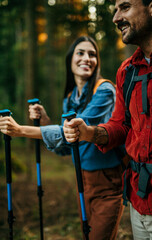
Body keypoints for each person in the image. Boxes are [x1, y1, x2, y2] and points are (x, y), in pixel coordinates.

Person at [0, 36, 124, 240]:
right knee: (87, 235)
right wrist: (46, 121)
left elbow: (75, 130)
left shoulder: (105, 91)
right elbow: (68, 146)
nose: (87, 58)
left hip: (107, 182)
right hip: (81, 180)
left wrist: (22, 130)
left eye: (92, 54)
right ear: (70, 60)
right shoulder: (70, 98)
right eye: (80, 53)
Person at [63, 1, 152, 239]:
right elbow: (121, 126)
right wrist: (89, 132)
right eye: (114, 10)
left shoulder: (103, 89)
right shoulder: (127, 71)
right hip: (139, 199)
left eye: (125, 7)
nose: (115, 18)